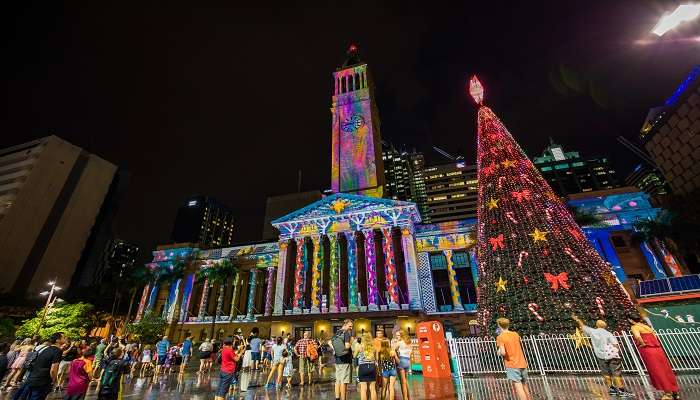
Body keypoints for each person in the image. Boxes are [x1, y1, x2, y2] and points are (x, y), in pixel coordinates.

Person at [572, 315, 634, 397]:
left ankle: (612, 389)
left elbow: (583, 326)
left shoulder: (592, 332)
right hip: (611, 355)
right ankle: (622, 391)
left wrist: (577, 319)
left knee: (606, 373)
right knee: (616, 373)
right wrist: (617, 351)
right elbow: (615, 344)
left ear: (597, 325)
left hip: (600, 355)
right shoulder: (608, 333)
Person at [629, 315, 680, 400]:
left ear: (631, 320)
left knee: (657, 371)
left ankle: (668, 393)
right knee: (666, 369)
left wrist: (643, 344)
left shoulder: (634, 327)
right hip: (658, 349)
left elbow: (638, 336)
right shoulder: (646, 326)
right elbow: (655, 337)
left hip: (649, 350)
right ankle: (675, 391)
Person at [12, 332, 65, 400]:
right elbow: (53, 369)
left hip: (33, 377)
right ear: (57, 340)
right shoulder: (57, 351)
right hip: (42, 381)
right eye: (63, 337)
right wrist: (54, 381)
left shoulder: (46, 349)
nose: (65, 339)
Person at [495, 318, 530, 400]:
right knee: (524, 385)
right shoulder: (515, 334)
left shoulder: (500, 337)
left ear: (499, 326)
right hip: (522, 362)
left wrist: (498, 352)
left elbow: (503, 352)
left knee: (518, 387)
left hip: (512, 364)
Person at [333, 319, 354, 400]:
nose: (351, 328)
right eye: (350, 326)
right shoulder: (346, 333)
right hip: (345, 360)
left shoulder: (337, 333)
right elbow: (347, 346)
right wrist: (351, 342)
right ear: (345, 324)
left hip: (337, 360)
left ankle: (337, 397)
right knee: (344, 381)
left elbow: (330, 343)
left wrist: (337, 351)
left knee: (338, 380)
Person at [355, 333, 377, 400]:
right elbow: (376, 359)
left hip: (362, 367)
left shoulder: (359, 346)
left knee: (363, 389)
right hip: (372, 366)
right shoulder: (374, 347)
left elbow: (354, 356)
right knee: (372, 389)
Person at [394, 330, 412, 400]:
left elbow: (392, 351)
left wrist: (397, 359)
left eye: (398, 335)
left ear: (402, 335)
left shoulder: (399, 343)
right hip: (407, 361)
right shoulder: (409, 343)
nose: (396, 337)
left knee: (402, 382)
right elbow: (411, 352)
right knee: (405, 380)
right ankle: (408, 397)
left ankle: (405, 398)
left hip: (401, 360)